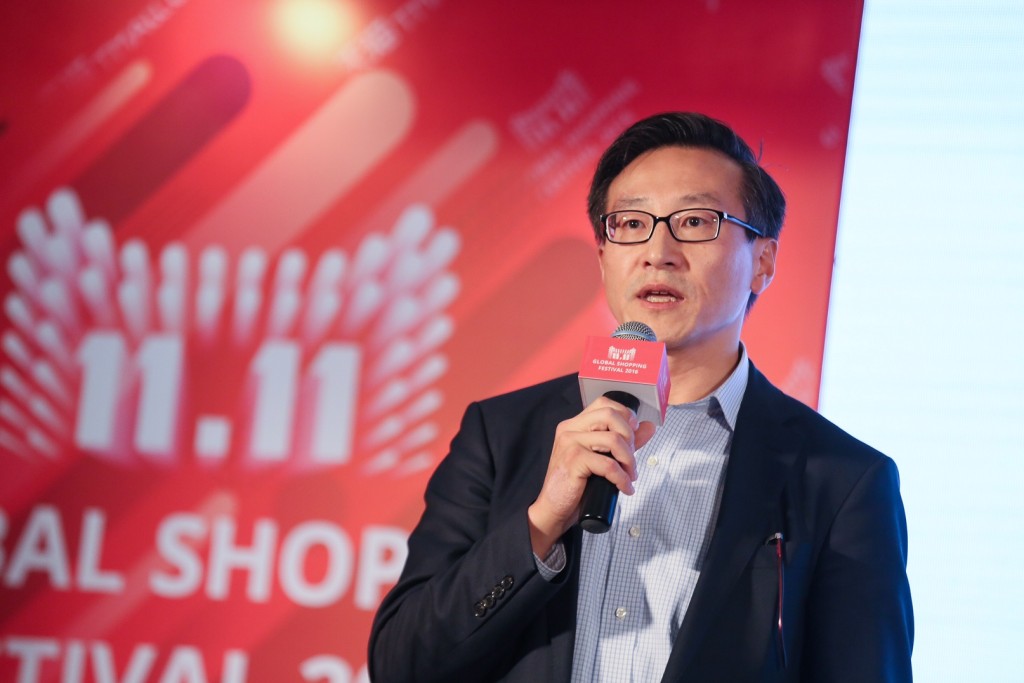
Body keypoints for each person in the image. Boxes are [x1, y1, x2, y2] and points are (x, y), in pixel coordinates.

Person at [367, 112, 913, 682]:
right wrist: (541, 525)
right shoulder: (501, 435)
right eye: (630, 223)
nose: (658, 251)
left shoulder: (842, 481)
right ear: (603, 257)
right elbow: (401, 666)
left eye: (695, 221)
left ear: (763, 261)